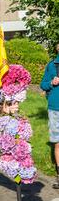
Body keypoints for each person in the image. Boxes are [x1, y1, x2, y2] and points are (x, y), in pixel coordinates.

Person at [40, 44, 59, 189]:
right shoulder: (51, 65)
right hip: (55, 109)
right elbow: (43, 84)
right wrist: (51, 83)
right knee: (57, 142)